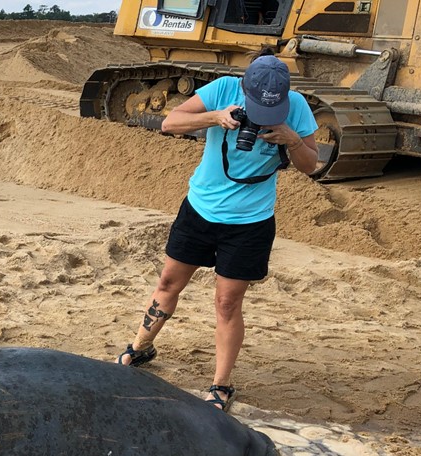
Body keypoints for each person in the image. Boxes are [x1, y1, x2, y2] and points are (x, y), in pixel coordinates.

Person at [116, 53, 317, 412]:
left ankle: (221, 385)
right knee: (167, 285)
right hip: (200, 211)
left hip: (250, 223)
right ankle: (140, 347)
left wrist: (292, 139)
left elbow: (310, 165)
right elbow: (169, 123)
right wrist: (215, 117)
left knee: (227, 303)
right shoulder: (224, 88)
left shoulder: (298, 107)